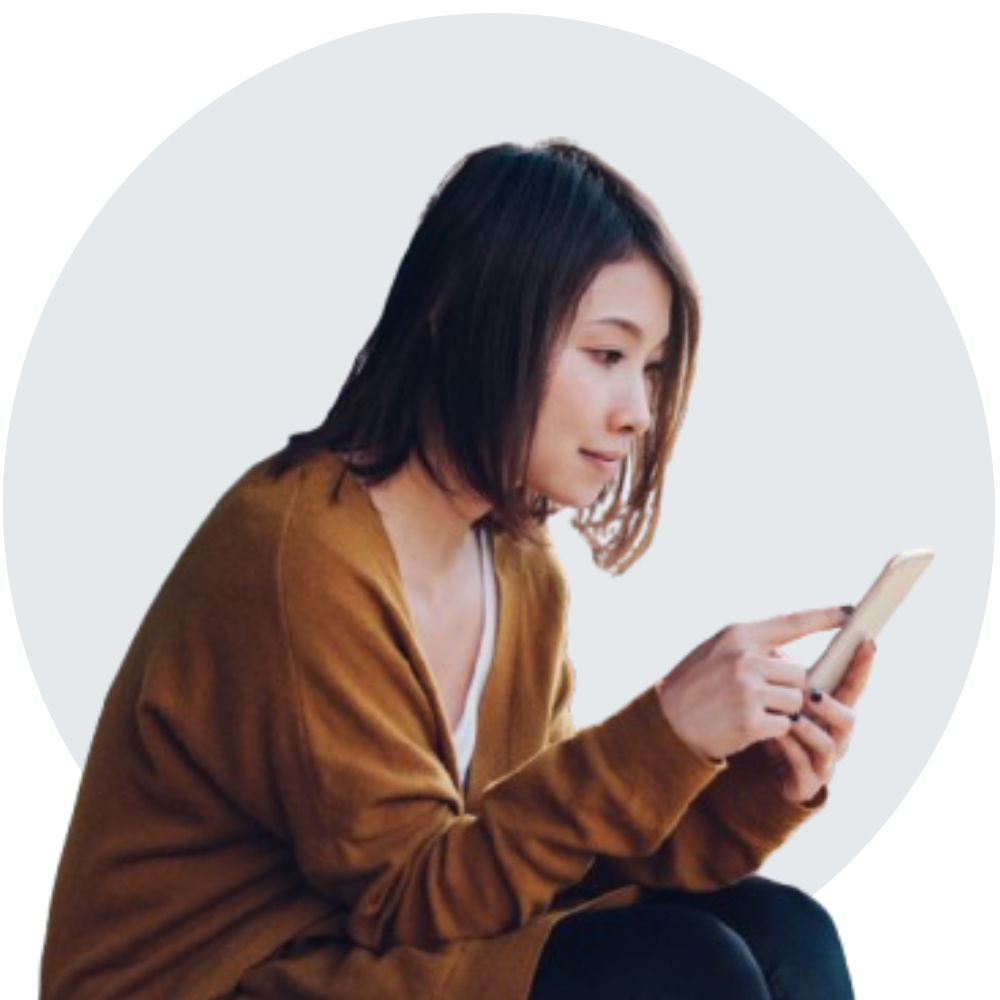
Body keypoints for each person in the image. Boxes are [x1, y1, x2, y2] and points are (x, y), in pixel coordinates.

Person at [37, 137, 869, 1000]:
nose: (637, 415)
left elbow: (541, 855)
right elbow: (408, 896)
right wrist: (663, 729)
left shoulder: (520, 564)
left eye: (652, 371)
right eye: (607, 355)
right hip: (218, 977)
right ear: (457, 312)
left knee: (785, 932)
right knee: (680, 972)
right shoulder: (298, 550)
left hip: (365, 952)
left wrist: (745, 781)